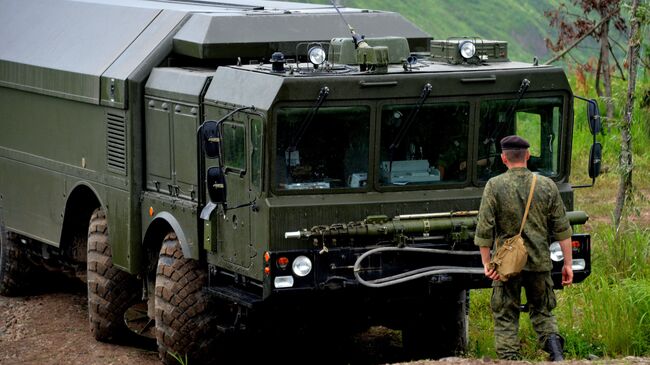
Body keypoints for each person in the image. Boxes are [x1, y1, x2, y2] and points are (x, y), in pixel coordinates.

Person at [474, 135, 574, 361]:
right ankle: (557, 355)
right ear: (527, 156)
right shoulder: (547, 185)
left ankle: (510, 359)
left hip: (507, 265)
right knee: (543, 312)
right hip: (539, 262)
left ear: (503, 158)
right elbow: (562, 229)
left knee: (505, 314)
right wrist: (567, 264)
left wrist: (486, 263)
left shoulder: (494, 185)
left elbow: (484, 230)